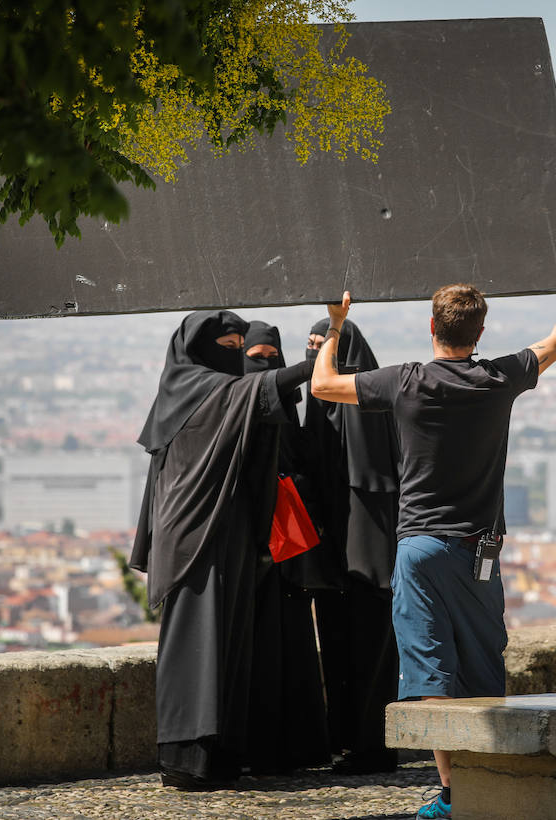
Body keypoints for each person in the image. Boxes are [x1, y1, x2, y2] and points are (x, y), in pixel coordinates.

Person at [310, 258, 556, 820]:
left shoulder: (407, 381)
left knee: (430, 669)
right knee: (483, 664)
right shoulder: (498, 378)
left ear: (431, 326)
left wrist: (336, 325)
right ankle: (490, 781)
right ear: (481, 333)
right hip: (481, 549)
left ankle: (453, 790)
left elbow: (323, 385)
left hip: (420, 545)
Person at [129, 310, 315, 789]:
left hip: (227, 534)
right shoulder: (199, 389)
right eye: (228, 347)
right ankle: (185, 758)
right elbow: (258, 388)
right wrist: (324, 349)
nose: (233, 357)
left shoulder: (205, 393)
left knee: (230, 646)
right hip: (196, 542)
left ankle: (221, 755)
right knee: (198, 645)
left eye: (239, 346)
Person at [301, 317, 403, 774]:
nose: (315, 355)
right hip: (336, 550)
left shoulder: (371, 401)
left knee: (371, 650)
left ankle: (371, 747)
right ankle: (345, 740)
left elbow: (374, 474)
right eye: (311, 346)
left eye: (324, 346)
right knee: (340, 646)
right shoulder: (319, 410)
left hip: (372, 548)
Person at [239, 321, 331, 775]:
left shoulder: (289, 416)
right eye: (255, 358)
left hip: (288, 558)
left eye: (271, 357)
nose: (265, 366)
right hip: (252, 557)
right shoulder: (237, 410)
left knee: (293, 648)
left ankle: (297, 746)